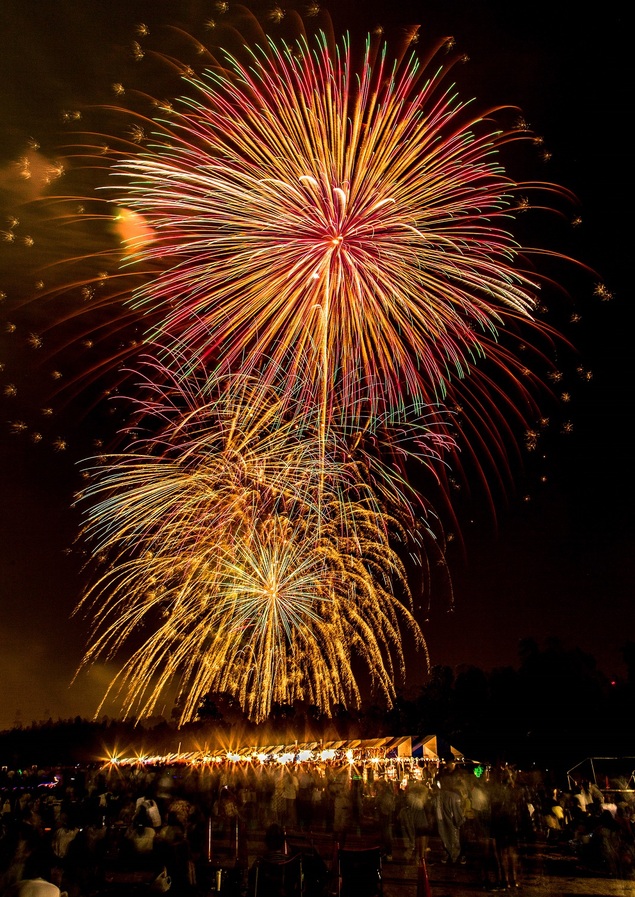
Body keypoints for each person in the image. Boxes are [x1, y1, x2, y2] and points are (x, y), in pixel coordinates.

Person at [435, 775, 466, 865]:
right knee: (454, 837)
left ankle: (449, 854)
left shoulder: (441, 796)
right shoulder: (453, 796)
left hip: (444, 820)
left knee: (447, 837)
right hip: (451, 820)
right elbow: (457, 811)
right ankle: (455, 855)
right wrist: (460, 820)